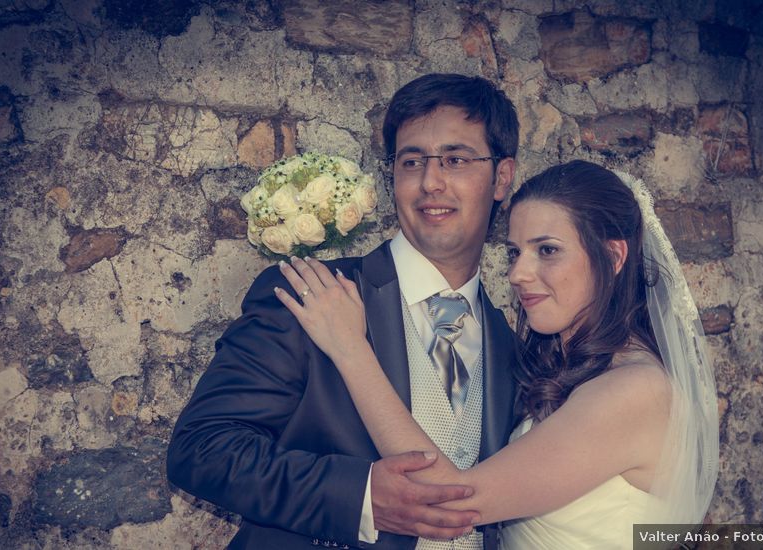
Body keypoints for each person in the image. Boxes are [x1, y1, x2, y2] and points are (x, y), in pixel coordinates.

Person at [275, 160, 720, 549]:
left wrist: (351, 350)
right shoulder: (574, 370)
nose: (518, 273)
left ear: (614, 255)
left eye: (547, 250)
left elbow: (452, 499)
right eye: (514, 251)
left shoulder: (633, 390)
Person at [166, 73, 521, 549]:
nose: (430, 182)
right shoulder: (308, 293)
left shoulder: (513, 343)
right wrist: (359, 497)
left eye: (455, 160)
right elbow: (201, 449)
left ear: (501, 177)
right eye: (411, 160)